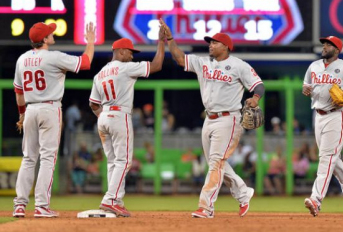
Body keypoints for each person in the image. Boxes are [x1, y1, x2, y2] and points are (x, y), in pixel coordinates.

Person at [160, 18, 264, 218]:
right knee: (216, 164)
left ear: (225, 46)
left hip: (229, 119)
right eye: (210, 42)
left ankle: (206, 207)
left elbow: (258, 84)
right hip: (209, 119)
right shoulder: (203, 63)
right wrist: (170, 39)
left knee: (216, 163)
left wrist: (256, 98)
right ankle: (243, 192)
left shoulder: (238, 65)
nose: (210, 45)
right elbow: (180, 59)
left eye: (214, 42)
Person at [12, 21, 95, 218]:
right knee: (48, 158)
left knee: (28, 158)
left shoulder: (22, 59)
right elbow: (85, 63)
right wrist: (90, 42)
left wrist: (22, 114)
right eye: (49, 33)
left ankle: (19, 205)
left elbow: (18, 92)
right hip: (50, 108)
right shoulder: (54, 57)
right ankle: (41, 206)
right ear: (44, 40)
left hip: (31, 109)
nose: (52, 34)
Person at [89, 26, 165, 217]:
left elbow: (92, 103)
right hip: (119, 116)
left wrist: (103, 117)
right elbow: (156, 66)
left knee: (113, 162)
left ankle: (116, 199)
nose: (132, 56)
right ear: (120, 51)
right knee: (124, 161)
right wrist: (161, 42)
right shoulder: (125, 67)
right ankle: (111, 200)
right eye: (130, 52)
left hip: (104, 116)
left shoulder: (100, 74)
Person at [302, 36, 343, 217]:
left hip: (336, 115)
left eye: (329, 44)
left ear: (337, 49)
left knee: (326, 157)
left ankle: (316, 199)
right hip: (318, 115)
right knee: (332, 158)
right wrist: (305, 90)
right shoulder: (313, 66)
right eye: (324, 44)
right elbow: (306, 86)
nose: (325, 46)